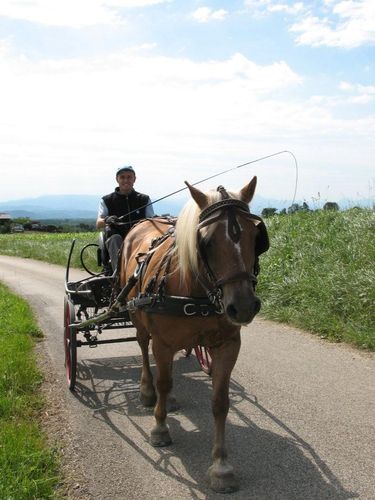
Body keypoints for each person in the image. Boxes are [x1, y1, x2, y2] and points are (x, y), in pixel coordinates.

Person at [96, 166, 154, 273]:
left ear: (134, 179)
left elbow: (151, 221)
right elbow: (98, 223)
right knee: (115, 239)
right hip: (117, 239)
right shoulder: (107, 200)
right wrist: (107, 219)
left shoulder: (144, 199)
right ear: (117, 179)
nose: (126, 180)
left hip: (140, 238)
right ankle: (118, 275)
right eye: (122, 177)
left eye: (129, 177)